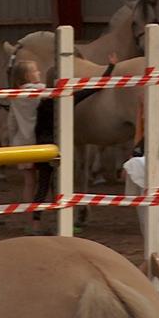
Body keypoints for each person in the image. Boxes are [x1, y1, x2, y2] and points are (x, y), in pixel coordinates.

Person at [30, 57, 117, 235]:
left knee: (43, 186)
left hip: (43, 147)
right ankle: (62, 224)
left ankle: (35, 224)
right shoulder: (67, 99)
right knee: (59, 188)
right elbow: (95, 87)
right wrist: (111, 67)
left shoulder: (43, 101)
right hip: (58, 149)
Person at [8, 59, 45, 212]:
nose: (39, 73)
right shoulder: (41, 92)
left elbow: (11, 124)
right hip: (39, 142)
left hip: (21, 142)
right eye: (35, 70)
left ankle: (29, 214)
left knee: (29, 182)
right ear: (27, 76)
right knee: (45, 182)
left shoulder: (15, 96)